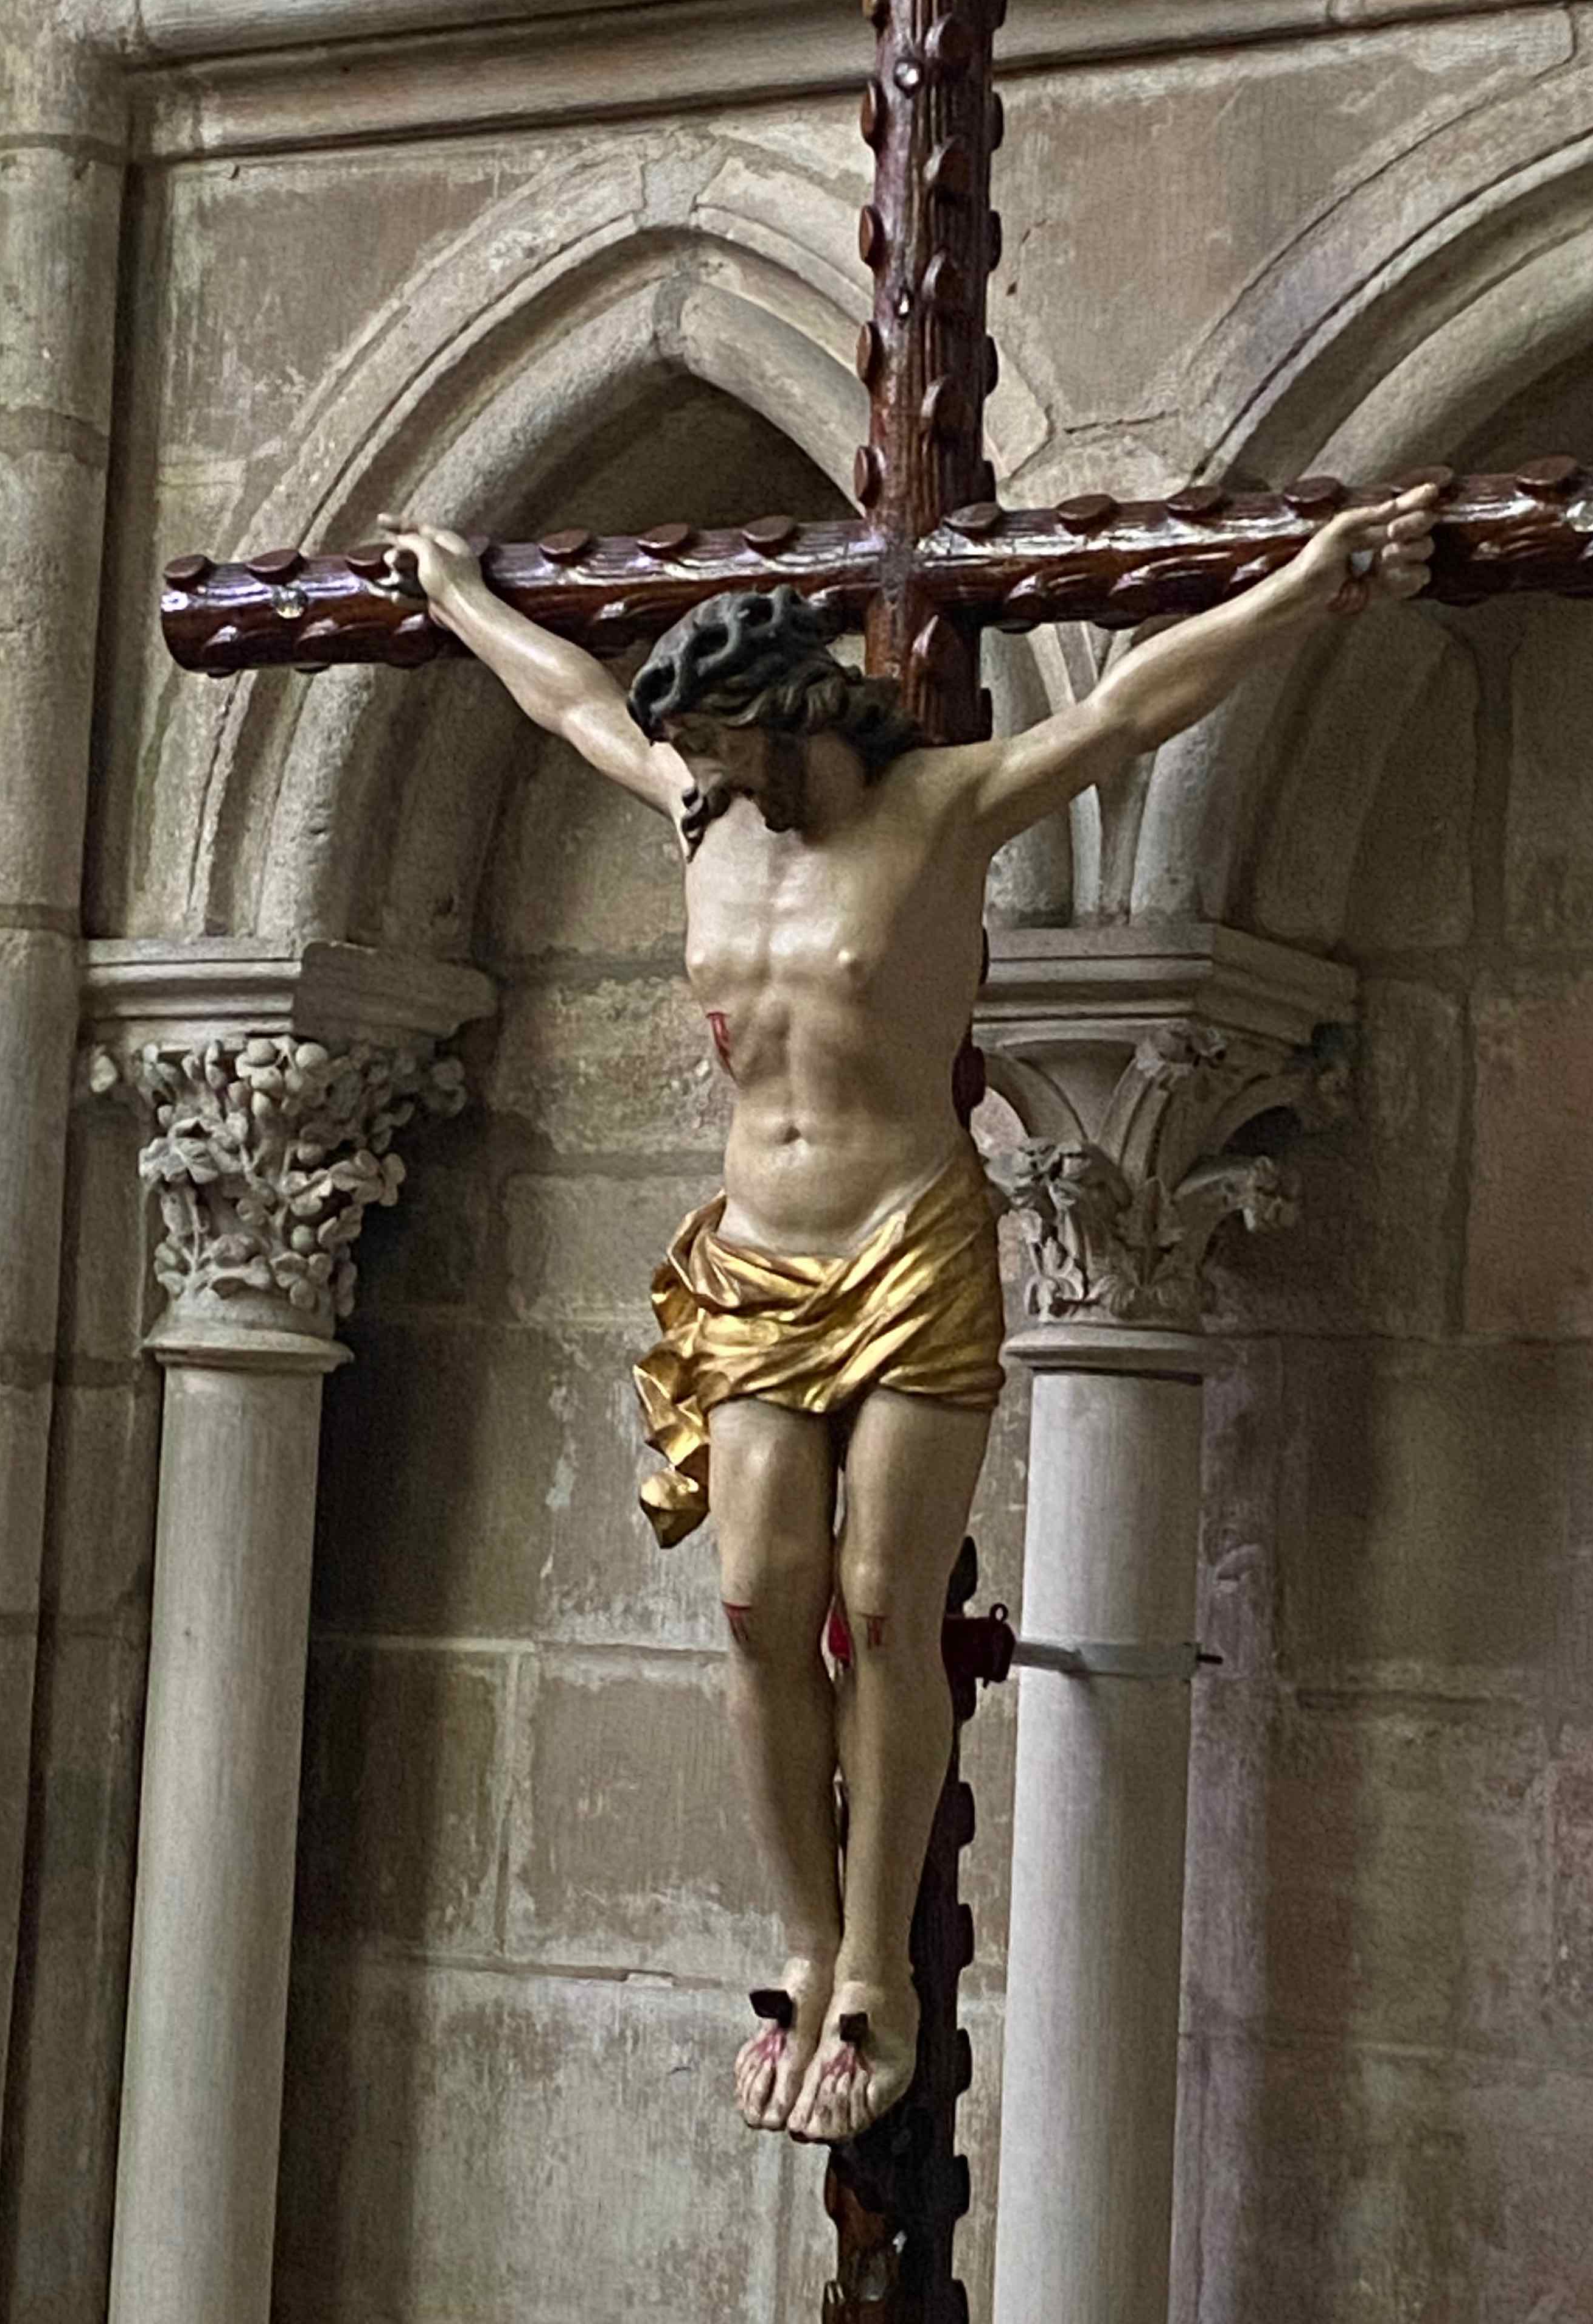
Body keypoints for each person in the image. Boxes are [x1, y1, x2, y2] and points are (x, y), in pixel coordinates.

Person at [380, 482, 1437, 2142]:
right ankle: (801, 1942)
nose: (696, 773)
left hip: (908, 1242)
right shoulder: (701, 816)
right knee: (756, 1600)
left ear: (786, 716)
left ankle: (878, 1961)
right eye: (690, 753)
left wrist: (1312, 587)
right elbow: (573, 703)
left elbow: (1127, 709)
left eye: (719, 744)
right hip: (755, 1255)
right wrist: (456, 598)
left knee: (882, 1607)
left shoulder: (942, 806)